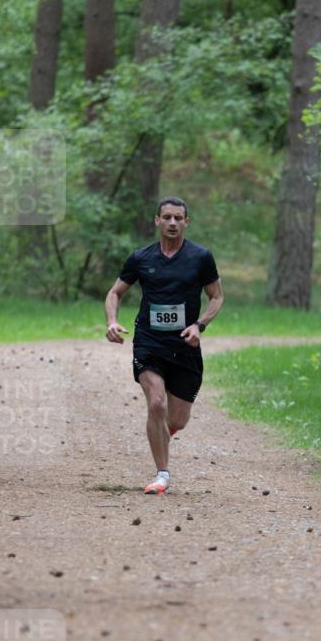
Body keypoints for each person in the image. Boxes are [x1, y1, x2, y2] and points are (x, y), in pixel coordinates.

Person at [105, 197, 224, 494]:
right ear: (157, 220)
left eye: (178, 218)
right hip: (149, 341)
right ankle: (162, 475)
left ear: (186, 222)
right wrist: (111, 321)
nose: (172, 223)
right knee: (156, 402)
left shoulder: (201, 257)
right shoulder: (141, 258)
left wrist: (200, 325)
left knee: (178, 420)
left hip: (185, 344)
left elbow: (217, 296)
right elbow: (115, 293)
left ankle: (161, 432)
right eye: (167, 217)